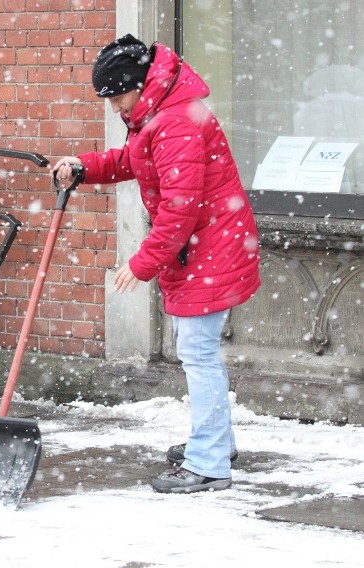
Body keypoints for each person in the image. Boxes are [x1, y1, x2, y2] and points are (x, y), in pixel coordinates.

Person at [52, 34, 261, 494]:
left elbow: (180, 208)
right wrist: (86, 166)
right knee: (200, 352)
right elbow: (136, 159)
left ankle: (208, 463)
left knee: (198, 353)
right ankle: (215, 445)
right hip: (207, 245)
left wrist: (143, 262)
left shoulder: (176, 121)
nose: (112, 107)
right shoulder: (158, 112)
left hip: (210, 248)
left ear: (136, 84)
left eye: (114, 96)